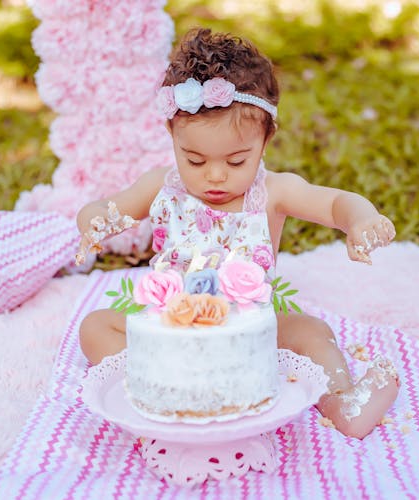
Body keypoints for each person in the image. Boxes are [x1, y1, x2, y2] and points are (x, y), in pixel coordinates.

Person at [76, 28, 399, 439]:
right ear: (172, 138)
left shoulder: (273, 192)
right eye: (194, 160)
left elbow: (335, 203)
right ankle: (157, 386)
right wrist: (93, 221)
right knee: (96, 327)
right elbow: (109, 209)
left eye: (235, 160)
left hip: (250, 330)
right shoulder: (161, 186)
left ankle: (342, 400)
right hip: (172, 332)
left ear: (265, 141)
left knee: (313, 333)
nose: (214, 175)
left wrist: (361, 220)